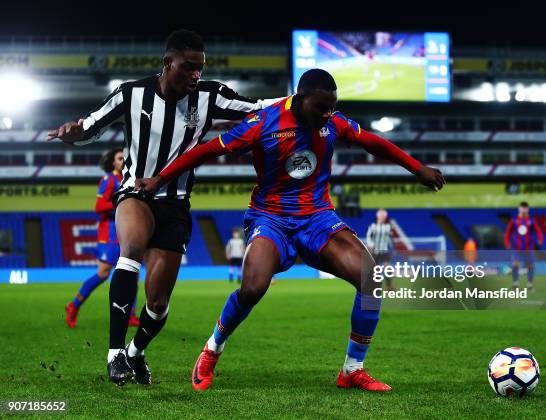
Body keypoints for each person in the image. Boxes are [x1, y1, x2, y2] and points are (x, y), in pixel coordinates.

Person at [135, 68, 445, 392]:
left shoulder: (333, 123)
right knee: (253, 287)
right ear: (300, 98)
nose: (328, 114)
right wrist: (160, 179)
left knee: (372, 279)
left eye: (332, 107)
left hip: (318, 218)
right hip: (270, 218)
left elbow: (373, 142)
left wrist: (417, 168)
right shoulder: (263, 123)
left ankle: (352, 369)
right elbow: (209, 150)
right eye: (322, 107)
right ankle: (212, 348)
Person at [47, 29, 282, 386]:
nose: (195, 75)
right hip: (135, 193)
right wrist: (72, 131)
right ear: (167, 63)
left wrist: (301, 100)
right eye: (188, 67)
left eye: (199, 68)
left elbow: (257, 108)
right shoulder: (131, 93)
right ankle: (114, 355)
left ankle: (135, 353)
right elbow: (90, 126)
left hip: (176, 204)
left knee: (157, 304)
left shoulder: (209, 95)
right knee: (132, 248)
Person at [65, 149, 139, 328]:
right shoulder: (109, 180)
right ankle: (74, 305)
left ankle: (130, 314)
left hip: (127, 232)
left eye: (125, 158)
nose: (123, 161)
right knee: (103, 273)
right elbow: (99, 206)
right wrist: (121, 201)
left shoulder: (130, 180)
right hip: (110, 234)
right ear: (113, 163)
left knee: (133, 273)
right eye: (120, 159)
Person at [504, 202, 543, 291]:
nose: (524, 209)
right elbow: (507, 232)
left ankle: (530, 285)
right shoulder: (514, 220)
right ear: (519, 209)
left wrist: (540, 239)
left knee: (530, 266)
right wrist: (506, 243)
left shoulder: (531, 221)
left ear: (528, 209)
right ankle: (515, 284)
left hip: (528, 248)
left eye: (525, 208)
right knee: (515, 265)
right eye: (522, 208)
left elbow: (538, 231)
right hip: (517, 248)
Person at [366, 208, 394, 291]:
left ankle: (389, 286)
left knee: (387, 267)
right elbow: (368, 236)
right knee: (374, 270)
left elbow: (390, 238)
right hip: (375, 252)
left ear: (385, 216)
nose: (382, 216)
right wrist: (370, 245)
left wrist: (392, 247)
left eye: (383, 215)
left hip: (384, 251)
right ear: (378, 216)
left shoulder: (388, 227)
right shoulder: (373, 226)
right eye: (380, 214)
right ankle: (374, 286)